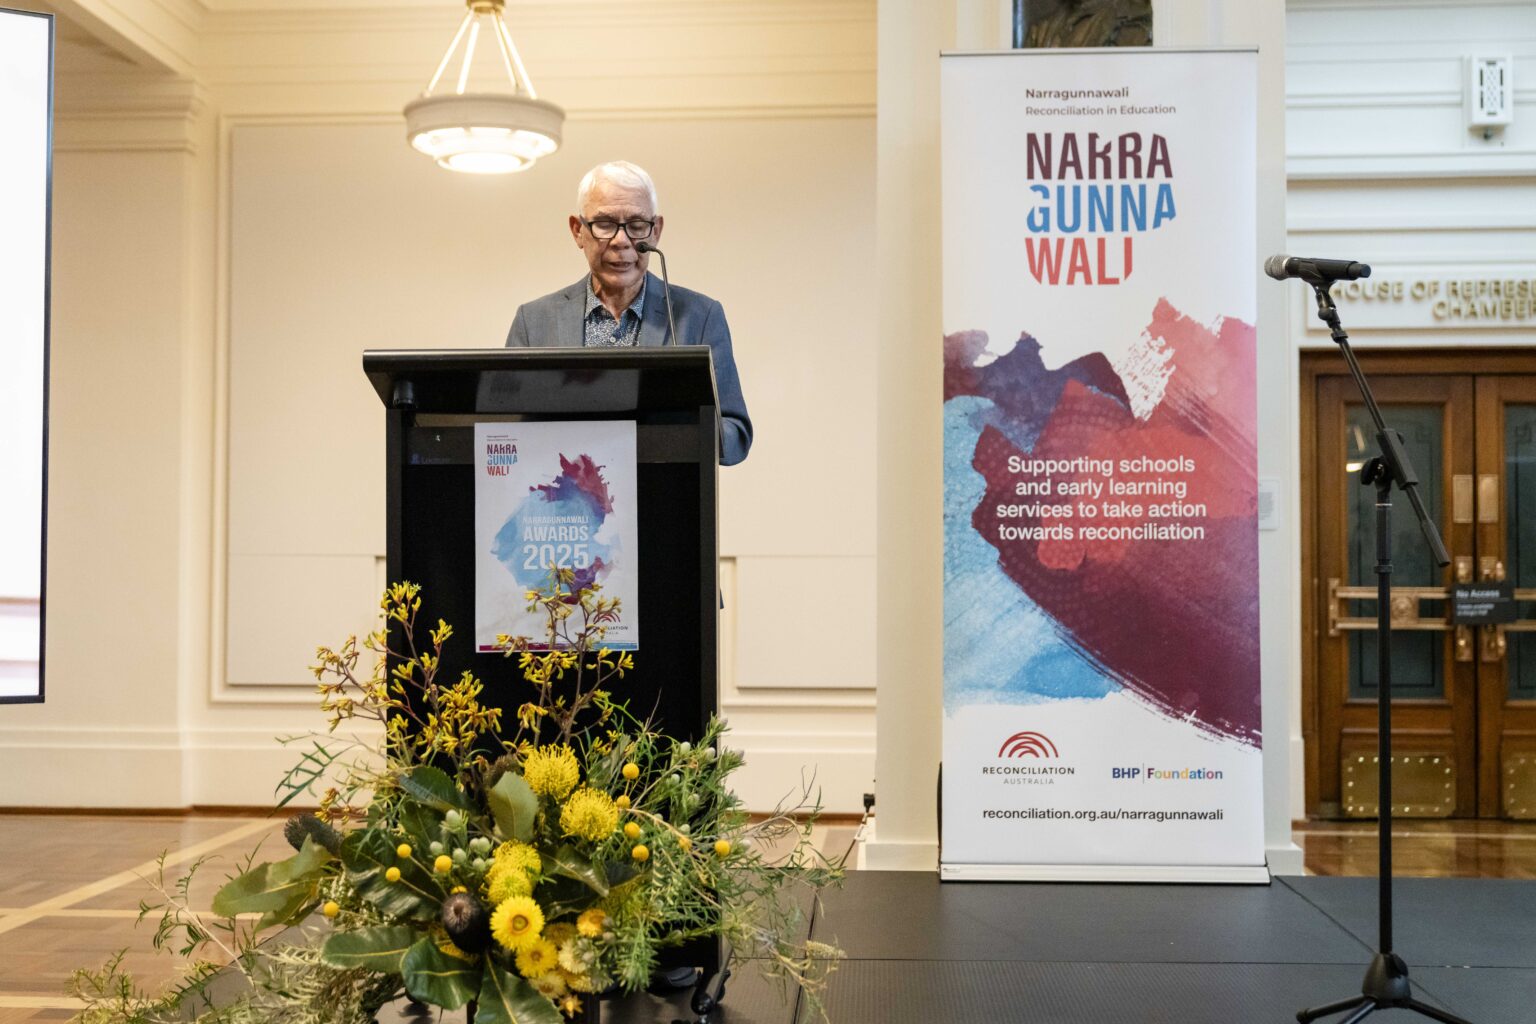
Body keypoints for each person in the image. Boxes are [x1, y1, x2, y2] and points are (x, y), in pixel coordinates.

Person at [506, 161, 753, 466]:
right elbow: (506, 430)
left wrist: (679, 432)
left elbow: (736, 435)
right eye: (605, 224)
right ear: (578, 230)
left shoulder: (699, 316)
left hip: (664, 493)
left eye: (636, 225)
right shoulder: (533, 322)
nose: (621, 241)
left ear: (656, 230)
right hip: (565, 493)